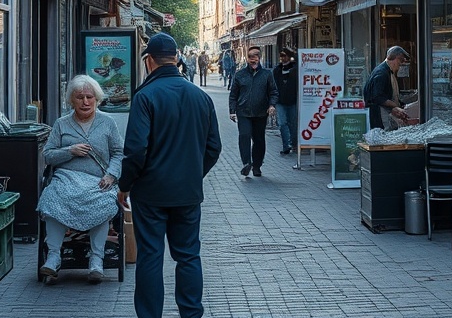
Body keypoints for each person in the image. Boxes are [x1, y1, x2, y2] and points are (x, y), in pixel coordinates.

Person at [117, 33, 221, 318]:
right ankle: (191, 313)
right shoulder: (200, 96)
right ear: (176, 58)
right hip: (187, 192)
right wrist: (192, 174)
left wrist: (125, 184)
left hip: (150, 193)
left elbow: (136, 150)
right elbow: (214, 148)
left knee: (151, 255)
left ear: (149, 61)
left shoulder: (145, 96)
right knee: (188, 255)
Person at [38, 75, 123, 284]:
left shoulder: (107, 122)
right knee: (52, 196)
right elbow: (48, 155)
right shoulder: (62, 124)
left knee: (103, 200)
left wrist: (111, 175)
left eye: (89, 97)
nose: (85, 102)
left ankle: (96, 260)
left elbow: (119, 153)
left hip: (98, 179)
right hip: (66, 178)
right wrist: (70, 151)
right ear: (71, 100)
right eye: (79, 97)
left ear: (97, 99)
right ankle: (54, 256)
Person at [228, 46, 278, 177]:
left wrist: (272, 105)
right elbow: (233, 95)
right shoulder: (240, 75)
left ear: (259, 57)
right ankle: (246, 163)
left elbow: (273, 92)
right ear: (247, 58)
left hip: (261, 113)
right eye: (250, 57)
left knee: (259, 140)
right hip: (243, 112)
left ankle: (257, 165)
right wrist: (232, 110)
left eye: (255, 56)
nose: (253, 59)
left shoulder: (267, 74)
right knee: (244, 136)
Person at [363, 46, 411, 131]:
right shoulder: (381, 73)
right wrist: (396, 106)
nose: (400, 65)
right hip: (379, 116)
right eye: (401, 60)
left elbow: (389, 94)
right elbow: (377, 97)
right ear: (396, 58)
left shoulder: (387, 72)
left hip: (385, 115)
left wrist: (400, 105)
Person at [272, 47, 299, 155]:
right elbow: (273, 86)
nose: (282, 58)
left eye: (284, 55)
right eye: (281, 56)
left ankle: (294, 144)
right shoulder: (277, 70)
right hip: (280, 102)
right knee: (282, 123)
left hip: (293, 100)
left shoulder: (295, 69)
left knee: (293, 123)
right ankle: (286, 146)